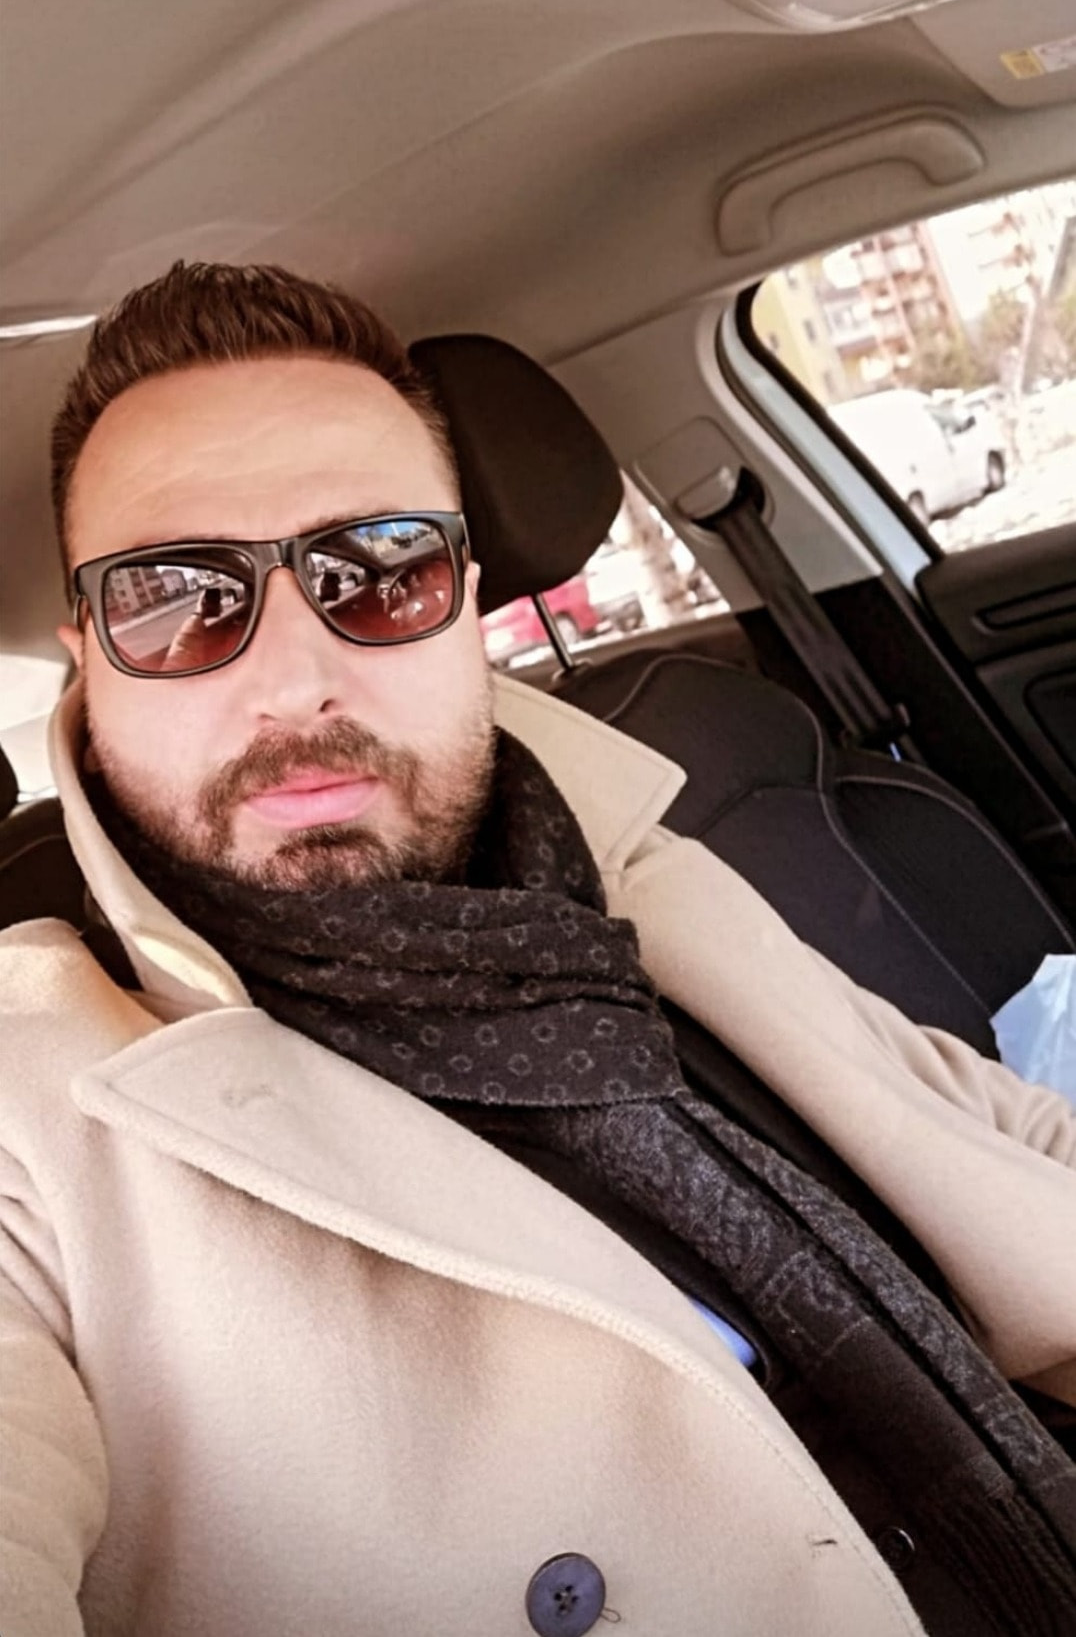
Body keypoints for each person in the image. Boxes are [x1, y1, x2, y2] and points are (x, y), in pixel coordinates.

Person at [1, 262, 1073, 1637]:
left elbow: (978, 1120)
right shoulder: (38, 1112)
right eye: (176, 597)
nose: (293, 681)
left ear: (464, 602)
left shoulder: (630, 870)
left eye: (379, 573)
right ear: (87, 655)